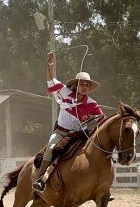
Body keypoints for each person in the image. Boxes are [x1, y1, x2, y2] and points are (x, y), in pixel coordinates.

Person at [33, 51, 105, 192]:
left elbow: (102, 120)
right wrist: (50, 63)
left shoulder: (92, 104)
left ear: (89, 88)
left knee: (96, 154)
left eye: (87, 85)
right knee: (51, 148)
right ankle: (40, 180)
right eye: (82, 84)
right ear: (76, 85)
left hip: (79, 136)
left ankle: (102, 187)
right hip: (61, 132)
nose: (84, 87)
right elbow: (50, 78)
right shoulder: (63, 92)